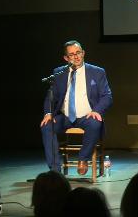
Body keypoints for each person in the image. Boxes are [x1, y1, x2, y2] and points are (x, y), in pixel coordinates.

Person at [40, 40, 113, 175]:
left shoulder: (97, 72)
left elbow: (107, 96)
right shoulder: (58, 73)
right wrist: (48, 113)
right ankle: (55, 170)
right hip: (65, 116)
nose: (76, 57)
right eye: (72, 54)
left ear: (83, 53)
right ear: (66, 58)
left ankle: (83, 159)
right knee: (46, 126)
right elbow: (50, 96)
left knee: (95, 123)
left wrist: (97, 110)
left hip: (87, 116)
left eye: (78, 53)